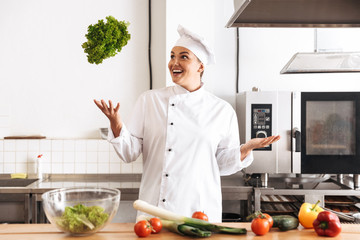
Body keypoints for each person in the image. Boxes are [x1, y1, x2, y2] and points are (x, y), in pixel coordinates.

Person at [94, 25, 280, 222]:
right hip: (155, 211)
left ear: (201, 66)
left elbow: (222, 164)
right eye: (172, 56)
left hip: (199, 211)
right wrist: (116, 124)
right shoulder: (150, 100)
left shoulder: (221, 110)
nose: (174, 62)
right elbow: (129, 153)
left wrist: (245, 149)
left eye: (183, 57)